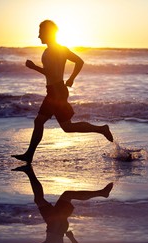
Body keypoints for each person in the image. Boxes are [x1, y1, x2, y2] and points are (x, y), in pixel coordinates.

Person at [12, 20, 113, 164]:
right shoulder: (58, 49)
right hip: (56, 90)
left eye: (41, 32)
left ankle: (29, 155)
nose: (39, 36)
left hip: (56, 92)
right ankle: (101, 129)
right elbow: (79, 62)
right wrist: (71, 79)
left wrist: (34, 67)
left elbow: (52, 73)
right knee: (64, 126)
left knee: (42, 122)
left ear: (48, 33)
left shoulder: (53, 50)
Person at [13, 165, 113, 243]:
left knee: (41, 199)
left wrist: (71, 238)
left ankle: (29, 171)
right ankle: (102, 193)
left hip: (59, 227)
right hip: (54, 226)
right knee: (63, 196)